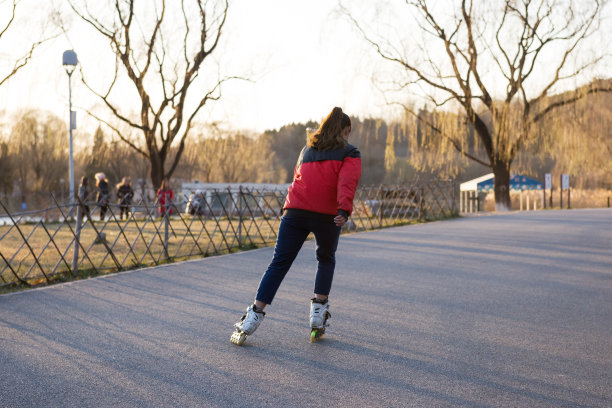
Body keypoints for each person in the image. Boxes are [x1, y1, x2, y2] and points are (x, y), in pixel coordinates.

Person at [230, 107, 362, 345]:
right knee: (325, 258)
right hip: (327, 214)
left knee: (279, 263)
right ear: (344, 130)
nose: (348, 136)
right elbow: (347, 182)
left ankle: (252, 316)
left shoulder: (308, 149)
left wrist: (289, 209)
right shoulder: (349, 152)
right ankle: (317, 316)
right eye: (348, 131)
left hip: (296, 212)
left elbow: (297, 178)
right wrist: (344, 210)